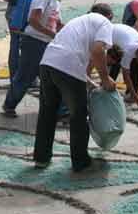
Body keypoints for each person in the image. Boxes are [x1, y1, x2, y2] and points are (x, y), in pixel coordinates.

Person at [34, 12, 114, 172]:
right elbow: (98, 51)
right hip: (67, 67)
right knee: (78, 116)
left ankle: (41, 158)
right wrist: (105, 79)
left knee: (47, 112)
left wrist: (89, 83)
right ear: (109, 16)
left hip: (47, 62)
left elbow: (73, 55)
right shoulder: (105, 23)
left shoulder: (78, 21)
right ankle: (80, 160)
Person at [3, 0, 72, 117]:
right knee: (25, 77)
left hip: (47, 44)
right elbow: (33, 20)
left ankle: (60, 111)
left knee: (54, 76)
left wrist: (70, 32)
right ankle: (9, 105)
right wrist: (52, 34)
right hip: (34, 43)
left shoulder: (56, 1)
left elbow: (57, 23)